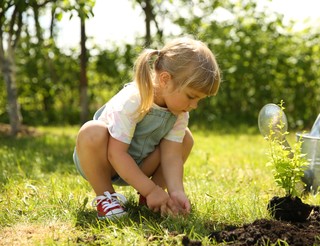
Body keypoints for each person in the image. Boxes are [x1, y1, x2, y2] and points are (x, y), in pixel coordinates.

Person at [73, 37, 221, 220]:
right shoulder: (134, 99)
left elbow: (172, 156)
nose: (194, 105)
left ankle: (150, 199)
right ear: (165, 79)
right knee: (91, 131)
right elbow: (116, 154)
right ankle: (107, 198)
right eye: (191, 96)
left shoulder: (179, 112)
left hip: (140, 163)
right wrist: (150, 188)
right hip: (105, 162)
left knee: (185, 139)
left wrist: (177, 192)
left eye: (199, 100)